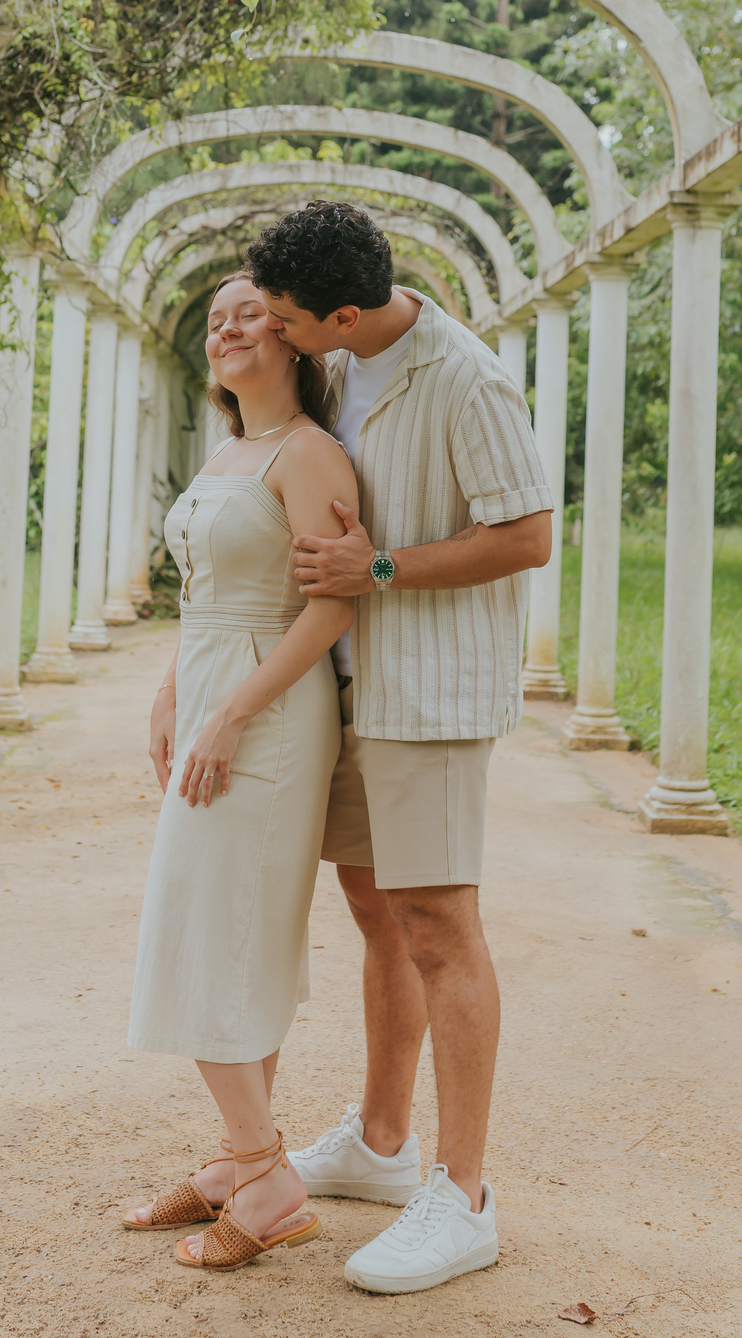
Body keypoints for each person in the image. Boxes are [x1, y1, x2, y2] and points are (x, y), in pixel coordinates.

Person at [246, 202, 554, 1296]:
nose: (275, 332)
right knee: (376, 909)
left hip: (430, 694)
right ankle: (380, 1144)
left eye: (286, 317)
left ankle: (461, 1196)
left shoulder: (466, 377)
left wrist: (377, 573)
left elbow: (526, 534)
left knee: (439, 924)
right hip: (353, 686)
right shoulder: (341, 361)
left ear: (341, 310)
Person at [125, 270, 358, 1274]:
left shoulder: (311, 455)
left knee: (203, 927)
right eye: (216, 319)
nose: (227, 329)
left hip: (268, 713)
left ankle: (268, 1177)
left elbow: (333, 606)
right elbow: (209, 593)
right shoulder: (231, 450)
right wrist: (177, 687)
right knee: (229, 927)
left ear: (295, 337)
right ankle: (232, 1162)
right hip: (214, 687)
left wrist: (231, 711)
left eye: (250, 314)